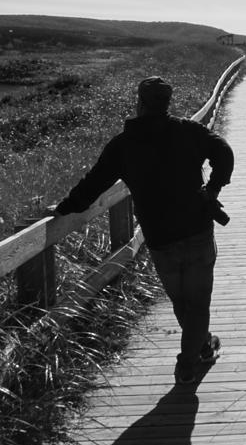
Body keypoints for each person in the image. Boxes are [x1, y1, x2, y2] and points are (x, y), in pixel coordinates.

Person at [54, 75, 234, 385]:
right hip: (196, 230)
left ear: (139, 103)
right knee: (197, 303)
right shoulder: (188, 131)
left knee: (182, 302)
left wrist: (63, 208)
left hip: (160, 238)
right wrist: (212, 190)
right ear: (167, 103)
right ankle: (188, 362)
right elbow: (224, 153)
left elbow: (93, 184)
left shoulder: (123, 145)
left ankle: (200, 349)